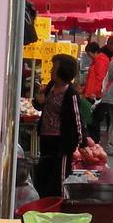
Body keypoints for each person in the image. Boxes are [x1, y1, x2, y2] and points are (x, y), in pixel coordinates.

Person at [32, 53, 83, 198]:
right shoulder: (51, 86)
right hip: (45, 136)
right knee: (43, 172)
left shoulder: (70, 93)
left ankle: (58, 203)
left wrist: (79, 142)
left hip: (61, 141)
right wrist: (38, 101)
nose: (51, 70)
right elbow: (40, 105)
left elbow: (77, 118)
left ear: (62, 71)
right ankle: (44, 201)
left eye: (54, 67)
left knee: (58, 176)